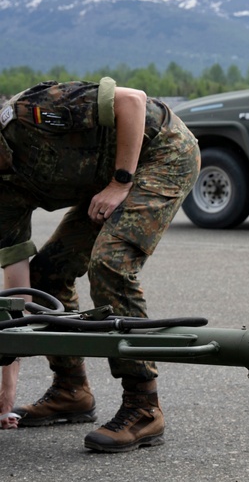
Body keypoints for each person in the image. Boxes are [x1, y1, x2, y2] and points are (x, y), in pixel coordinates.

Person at [0, 77, 200, 452]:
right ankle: (71, 390)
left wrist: (121, 182)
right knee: (46, 276)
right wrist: (5, 393)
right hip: (106, 180)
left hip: (161, 153)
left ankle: (144, 408)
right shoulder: (3, 190)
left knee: (110, 263)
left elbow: (132, 101)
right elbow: (17, 291)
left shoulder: (33, 113)